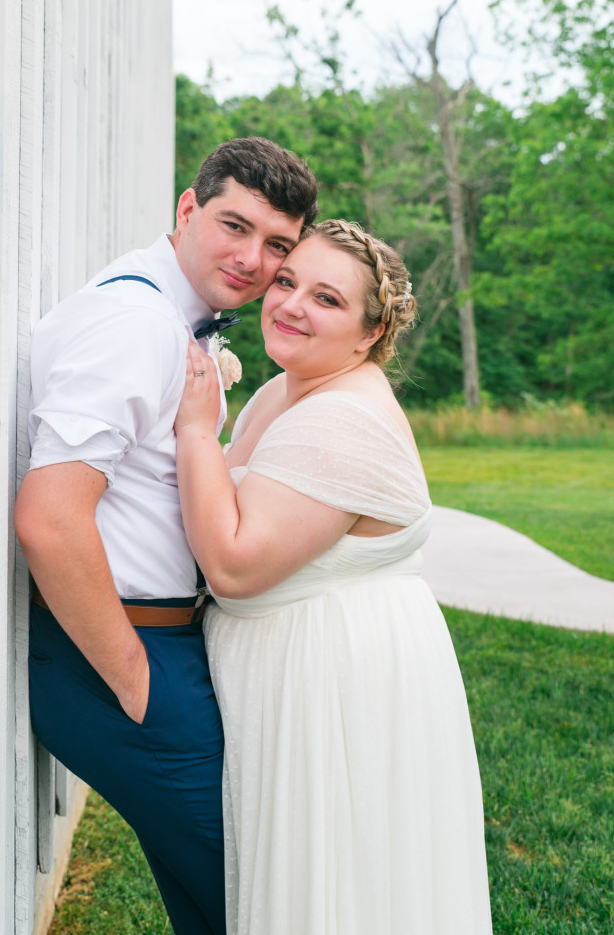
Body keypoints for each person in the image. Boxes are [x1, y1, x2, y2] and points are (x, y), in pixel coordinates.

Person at [14, 137, 318, 935]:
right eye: (234, 226)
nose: (253, 260)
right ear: (187, 209)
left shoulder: (169, 317)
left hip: (166, 650)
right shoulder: (134, 323)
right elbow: (49, 518)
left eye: (278, 245)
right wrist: (134, 680)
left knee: (221, 908)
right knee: (266, 907)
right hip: (129, 660)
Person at [174, 219, 494, 935]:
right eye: (286, 282)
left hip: (335, 688)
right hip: (305, 673)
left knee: (341, 890)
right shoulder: (286, 392)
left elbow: (232, 562)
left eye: (325, 299)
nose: (289, 304)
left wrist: (195, 432)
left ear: (367, 335)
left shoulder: (341, 420)